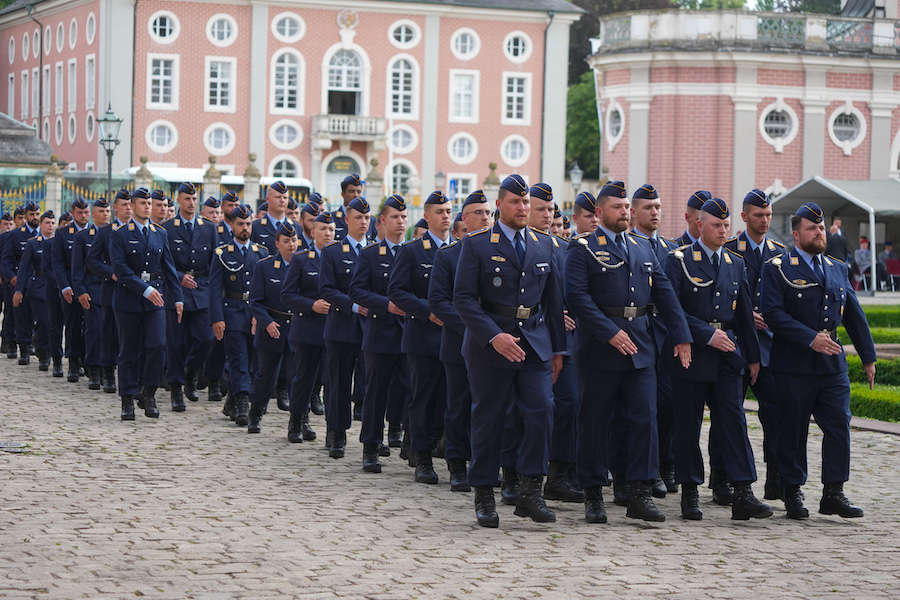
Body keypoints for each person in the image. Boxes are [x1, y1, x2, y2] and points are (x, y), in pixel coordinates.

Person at [566, 181, 691, 524]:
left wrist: (681, 335)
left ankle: (639, 491)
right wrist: (609, 332)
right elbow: (578, 298)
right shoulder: (584, 248)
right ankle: (593, 493)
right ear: (600, 212)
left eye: (626, 207)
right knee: (594, 422)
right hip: (599, 349)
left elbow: (664, 293)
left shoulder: (643, 247)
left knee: (643, 420)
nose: (623, 212)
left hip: (641, 347)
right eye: (617, 207)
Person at [454, 174, 566, 528]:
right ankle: (485, 491)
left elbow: (553, 302)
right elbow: (464, 299)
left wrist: (559, 351)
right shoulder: (477, 244)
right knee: (489, 419)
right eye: (516, 202)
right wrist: (493, 336)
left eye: (526, 203)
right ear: (500, 205)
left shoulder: (544, 244)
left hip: (533, 342)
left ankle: (531, 490)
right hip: (491, 344)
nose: (523, 208)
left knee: (542, 411)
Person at [761, 202, 876, 520]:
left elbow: (854, 314)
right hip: (794, 363)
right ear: (797, 234)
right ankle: (792, 490)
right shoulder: (779, 267)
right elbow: (772, 314)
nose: (819, 232)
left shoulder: (837, 267)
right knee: (793, 429)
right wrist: (809, 338)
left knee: (839, 424)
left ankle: (834, 492)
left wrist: (868, 357)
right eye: (813, 228)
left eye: (822, 228)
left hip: (831, 364)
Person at [664, 198, 772, 521]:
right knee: (688, 425)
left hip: (727, 356)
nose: (723, 231)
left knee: (734, 422)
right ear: (700, 225)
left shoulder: (735, 263)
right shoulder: (680, 260)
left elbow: (742, 315)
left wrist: (752, 357)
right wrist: (703, 334)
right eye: (716, 225)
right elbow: (673, 310)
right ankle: (690, 490)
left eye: (726, 226)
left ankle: (743, 491)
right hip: (693, 353)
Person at [429, 190, 493, 492]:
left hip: (493, 345)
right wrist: (473, 327)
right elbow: (439, 302)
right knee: (458, 404)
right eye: (478, 213)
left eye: (488, 213)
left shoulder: (498, 251)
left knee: (489, 407)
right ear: (464, 220)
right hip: (459, 342)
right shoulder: (448, 255)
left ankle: (485, 463)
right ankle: (456, 463)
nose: (485, 218)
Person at [724, 189, 785, 500]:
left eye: (768, 215)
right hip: (736, 346)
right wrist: (747, 316)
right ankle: (724, 479)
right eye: (759, 215)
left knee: (774, 414)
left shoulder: (780, 253)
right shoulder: (730, 250)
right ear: (745, 216)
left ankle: (775, 476)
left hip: (770, 347)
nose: (765, 220)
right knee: (729, 412)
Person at [388, 190, 453, 485]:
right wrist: (428, 311)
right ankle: (422, 457)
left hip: (451, 338)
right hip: (422, 336)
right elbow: (397, 291)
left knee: (445, 399)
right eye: (440, 212)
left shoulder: (459, 249)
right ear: (427, 216)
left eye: (449, 211)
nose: (446, 216)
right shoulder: (412, 251)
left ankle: (441, 449)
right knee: (422, 397)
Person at [526, 183, 583, 504]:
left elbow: (571, 294)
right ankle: (518, 474)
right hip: (530, 337)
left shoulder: (563, 250)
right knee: (527, 409)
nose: (548, 216)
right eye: (541, 210)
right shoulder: (517, 247)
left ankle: (559, 473)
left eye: (551, 210)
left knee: (569, 403)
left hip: (563, 342)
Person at [108, 187, 183, 421]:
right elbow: (121, 271)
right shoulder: (119, 234)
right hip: (128, 299)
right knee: (129, 350)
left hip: (155, 300)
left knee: (158, 346)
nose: (148, 207)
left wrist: (178, 297)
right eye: (143, 203)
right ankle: (127, 399)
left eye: (149, 203)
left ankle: (148, 392)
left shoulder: (159, 233)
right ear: (132, 206)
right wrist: (145, 289)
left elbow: (169, 268)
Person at [628, 183, 682, 496]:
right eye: (649, 207)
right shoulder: (629, 244)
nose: (655, 212)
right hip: (641, 335)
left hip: (668, 339)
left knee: (670, 405)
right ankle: (643, 472)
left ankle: (666, 464)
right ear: (634, 212)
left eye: (659, 207)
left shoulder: (671, 250)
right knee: (646, 408)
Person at [349, 195, 409, 473]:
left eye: (404, 217)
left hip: (410, 334)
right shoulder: (371, 254)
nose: (400, 222)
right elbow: (357, 291)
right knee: (376, 393)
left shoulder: (414, 251)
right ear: (383, 221)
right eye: (395, 217)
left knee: (410, 390)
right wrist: (386, 305)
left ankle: (410, 442)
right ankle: (370, 446)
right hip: (381, 332)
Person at [319, 196, 370, 458]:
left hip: (371, 330)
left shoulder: (375, 250)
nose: (363, 222)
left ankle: (371, 437)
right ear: (347, 220)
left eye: (366, 217)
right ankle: (336, 431)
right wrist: (352, 305)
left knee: (369, 385)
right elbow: (326, 288)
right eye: (358, 217)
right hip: (341, 327)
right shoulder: (333, 252)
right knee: (338, 383)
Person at [209, 205, 268, 426]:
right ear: (232, 225)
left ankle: (232, 399)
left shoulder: (261, 253)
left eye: (248, 224)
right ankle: (244, 402)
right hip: (232, 310)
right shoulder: (222, 253)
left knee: (254, 361)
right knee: (238, 359)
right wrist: (217, 318)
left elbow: (266, 290)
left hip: (255, 313)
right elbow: (215, 289)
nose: (245, 228)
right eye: (240, 224)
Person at [162, 182, 217, 412]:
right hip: (176, 291)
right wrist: (180, 275)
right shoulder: (167, 228)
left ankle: (191, 373)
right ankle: (176, 388)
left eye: (194, 199)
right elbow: (162, 263)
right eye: (187, 199)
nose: (191, 203)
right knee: (176, 343)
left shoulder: (209, 228)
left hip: (202, 290)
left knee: (206, 339)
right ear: (178, 201)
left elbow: (215, 263)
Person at [281, 211, 334, 442]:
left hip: (333, 329)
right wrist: (312, 305)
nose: (328, 233)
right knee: (304, 377)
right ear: (313, 232)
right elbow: (287, 294)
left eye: (331, 229)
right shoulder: (302, 259)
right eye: (323, 229)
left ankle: (315, 422)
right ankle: (296, 421)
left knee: (324, 379)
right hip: (307, 328)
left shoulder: (339, 258)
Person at [247, 222, 298, 431]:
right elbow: (255, 301)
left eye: (294, 240)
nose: (291, 245)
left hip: (296, 328)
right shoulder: (264, 266)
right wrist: (266, 322)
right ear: (277, 243)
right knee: (266, 376)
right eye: (286, 241)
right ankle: (256, 413)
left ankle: (298, 421)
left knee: (296, 377)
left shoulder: (304, 264)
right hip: (272, 328)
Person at [87, 189, 133, 394]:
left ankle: (130, 373)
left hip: (133, 290)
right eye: (124, 204)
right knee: (108, 332)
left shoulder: (138, 231)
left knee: (131, 334)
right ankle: (107, 371)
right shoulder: (106, 232)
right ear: (115, 208)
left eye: (131, 204)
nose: (128, 208)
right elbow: (92, 260)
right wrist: (110, 272)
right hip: (111, 289)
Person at [70, 198, 111, 390]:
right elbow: (77, 269)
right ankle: (94, 369)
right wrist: (81, 292)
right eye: (101, 212)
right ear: (93, 214)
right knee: (94, 332)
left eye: (107, 211)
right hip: (92, 291)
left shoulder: (116, 234)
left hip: (111, 291)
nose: (105, 215)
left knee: (110, 333)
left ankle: (107, 369)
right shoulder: (84, 237)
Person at [52, 196, 91, 382]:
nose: (83, 216)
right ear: (73, 213)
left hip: (90, 286)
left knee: (91, 326)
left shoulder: (96, 232)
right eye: (80, 212)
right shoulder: (63, 233)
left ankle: (88, 360)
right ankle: (73, 362)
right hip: (70, 286)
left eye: (86, 212)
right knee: (73, 325)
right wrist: (64, 286)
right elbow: (58, 264)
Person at [12, 210, 56, 371]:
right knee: (43, 321)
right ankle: (43, 353)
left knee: (54, 323)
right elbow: (23, 269)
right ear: (41, 224)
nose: (50, 226)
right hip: (39, 287)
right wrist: (19, 290)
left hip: (57, 287)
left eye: (52, 223)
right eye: (47, 222)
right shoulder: (33, 243)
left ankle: (51, 352)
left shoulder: (59, 242)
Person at [2, 201, 40, 364]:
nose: (34, 217)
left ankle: (34, 344)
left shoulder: (44, 235)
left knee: (36, 316)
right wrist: (11, 277)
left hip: (37, 282)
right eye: (31, 214)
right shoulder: (15, 235)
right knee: (16, 314)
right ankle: (16, 345)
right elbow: (6, 260)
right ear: (25, 216)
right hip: (18, 281)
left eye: (37, 214)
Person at [331, 174, 364, 241]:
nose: (356, 195)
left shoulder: (369, 221)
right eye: (352, 191)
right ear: (342, 194)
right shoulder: (332, 218)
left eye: (359, 192)